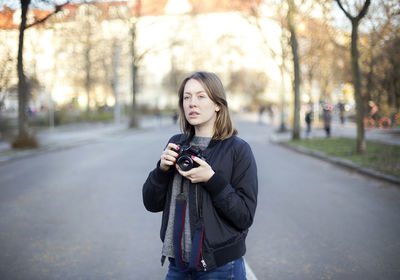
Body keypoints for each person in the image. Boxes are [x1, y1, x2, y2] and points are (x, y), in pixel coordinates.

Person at [142, 71, 258, 280]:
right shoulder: (176, 143)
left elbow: (244, 216)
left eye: (200, 96)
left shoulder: (237, 149)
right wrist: (161, 170)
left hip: (220, 267)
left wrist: (212, 180)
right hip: (177, 266)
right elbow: (150, 203)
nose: (192, 103)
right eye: (187, 97)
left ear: (217, 104)